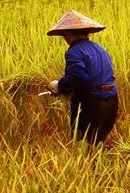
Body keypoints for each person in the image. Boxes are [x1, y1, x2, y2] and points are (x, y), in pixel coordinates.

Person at [46, 10, 118, 145]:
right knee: (98, 142)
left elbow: (78, 77)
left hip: (93, 103)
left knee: (83, 143)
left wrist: (58, 86)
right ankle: (98, 164)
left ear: (68, 34)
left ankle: (89, 165)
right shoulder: (99, 48)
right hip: (112, 100)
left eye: (64, 35)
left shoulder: (73, 52)